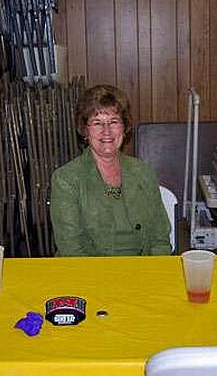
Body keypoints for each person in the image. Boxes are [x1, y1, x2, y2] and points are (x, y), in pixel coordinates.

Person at [50, 84, 171, 256]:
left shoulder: (144, 172)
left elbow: (160, 238)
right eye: (97, 123)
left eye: (114, 121)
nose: (106, 131)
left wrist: (151, 272)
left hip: (142, 270)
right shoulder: (66, 179)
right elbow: (72, 249)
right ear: (85, 130)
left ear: (124, 126)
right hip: (90, 274)